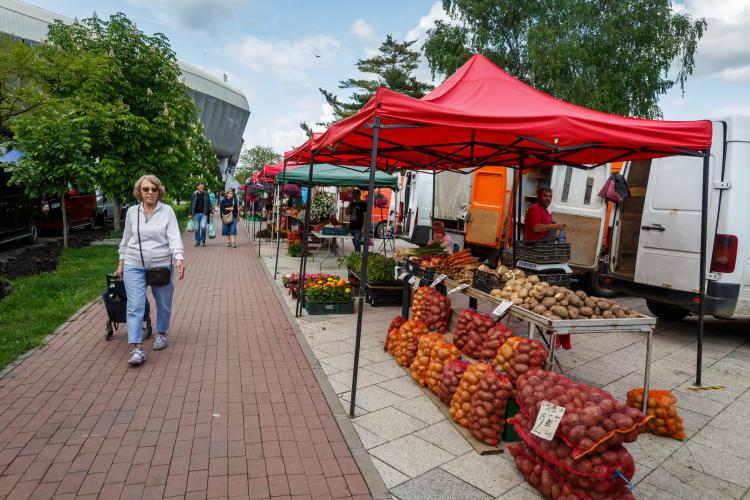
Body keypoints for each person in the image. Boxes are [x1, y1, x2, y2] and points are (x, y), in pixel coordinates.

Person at [116, 175, 185, 366]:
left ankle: (161, 333)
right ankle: (137, 348)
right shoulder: (132, 212)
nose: (150, 193)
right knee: (135, 305)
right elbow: (126, 239)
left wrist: (178, 258)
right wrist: (121, 262)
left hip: (160, 264)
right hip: (134, 264)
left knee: (163, 303)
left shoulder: (167, 211)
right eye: (146, 189)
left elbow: (174, 237)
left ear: (159, 191)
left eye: (154, 189)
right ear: (140, 192)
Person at [524, 187, 571, 350]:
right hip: (535, 252)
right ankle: (554, 332)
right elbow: (536, 228)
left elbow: (547, 225)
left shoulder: (546, 211)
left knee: (559, 290)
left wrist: (556, 225)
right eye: (545, 195)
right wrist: (554, 226)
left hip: (546, 253)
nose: (548, 198)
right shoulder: (534, 209)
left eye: (550, 196)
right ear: (539, 196)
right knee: (544, 292)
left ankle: (560, 334)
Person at [189, 182, 212, 247]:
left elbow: (209, 203)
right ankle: (197, 241)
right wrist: (190, 213)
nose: (202, 188)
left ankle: (203, 240)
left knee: (203, 227)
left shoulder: (206, 194)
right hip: (196, 214)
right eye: (201, 186)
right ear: (197, 187)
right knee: (196, 228)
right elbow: (191, 204)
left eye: (203, 186)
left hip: (204, 213)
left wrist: (210, 212)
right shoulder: (194, 194)